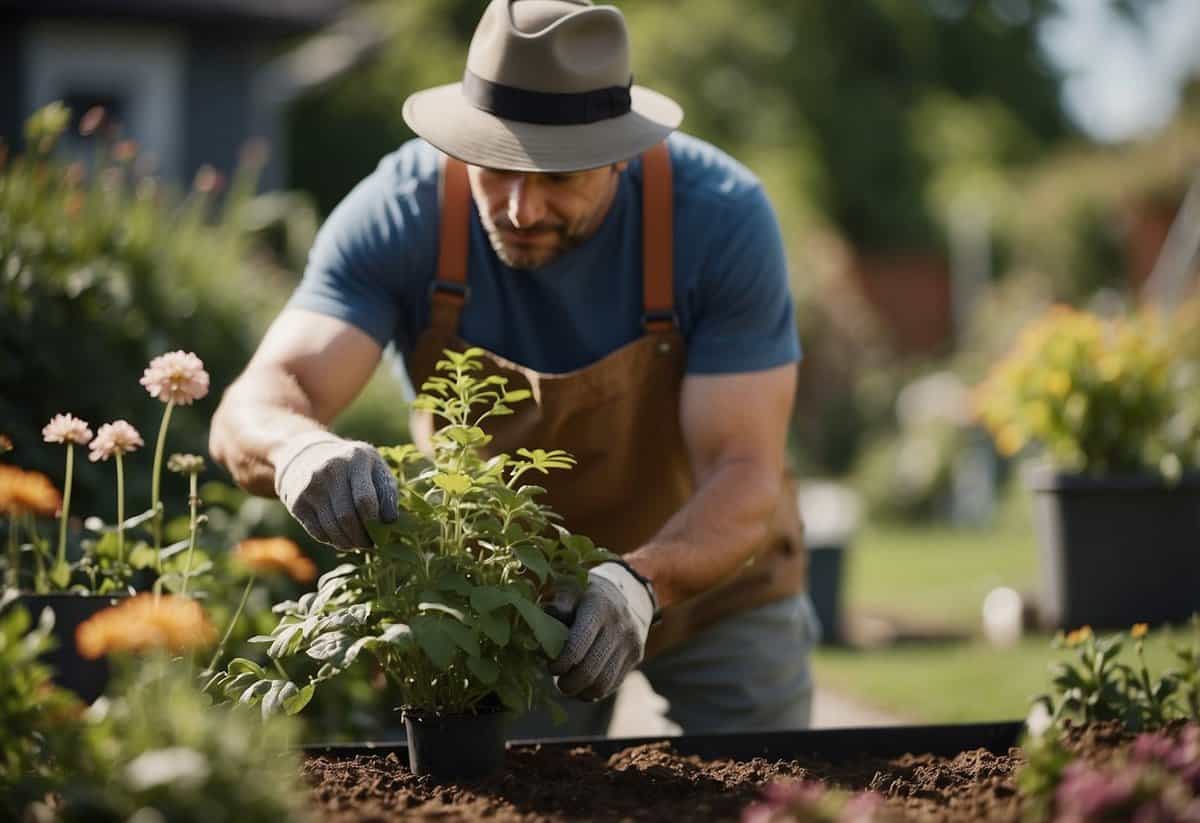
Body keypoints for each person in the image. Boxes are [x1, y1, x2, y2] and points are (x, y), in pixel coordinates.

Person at [209, 0, 819, 737]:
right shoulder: (400, 213)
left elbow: (743, 468)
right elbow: (262, 398)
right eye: (496, 168)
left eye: (560, 177)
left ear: (622, 153)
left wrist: (638, 583)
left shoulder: (719, 219)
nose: (523, 208)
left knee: (767, 792)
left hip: (716, 585)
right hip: (510, 597)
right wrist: (298, 447)